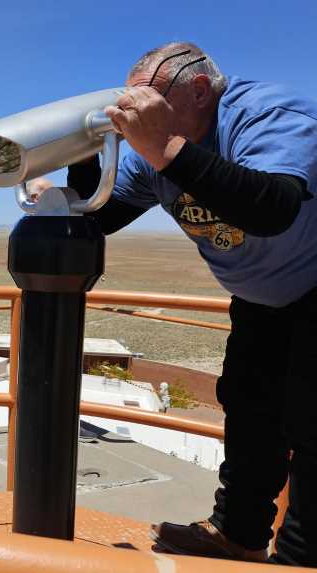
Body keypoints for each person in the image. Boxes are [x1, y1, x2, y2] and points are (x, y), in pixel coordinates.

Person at [67, 42, 317, 566]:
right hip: (260, 299)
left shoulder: (267, 114)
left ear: (199, 89)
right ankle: (237, 534)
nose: (135, 110)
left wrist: (165, 148)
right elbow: (101, 215)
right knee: (249, 414)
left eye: (147, 98)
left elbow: (272, 208)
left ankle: (301, 559)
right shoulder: (157, 155)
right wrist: (82, 149)